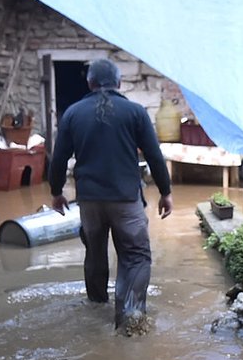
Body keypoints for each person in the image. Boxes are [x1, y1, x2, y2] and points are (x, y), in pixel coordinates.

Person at [48, 58, 174, 332]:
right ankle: (130, 316)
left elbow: (58, 159)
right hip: (126, 201)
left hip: (89, 202)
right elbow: (154, 155)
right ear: (118, 83)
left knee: (94, 251)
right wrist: (165, 192)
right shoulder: (135, 112)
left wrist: (56, 192)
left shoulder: (72, 114)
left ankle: (96, 305)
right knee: (136, 257)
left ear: (90, 83)